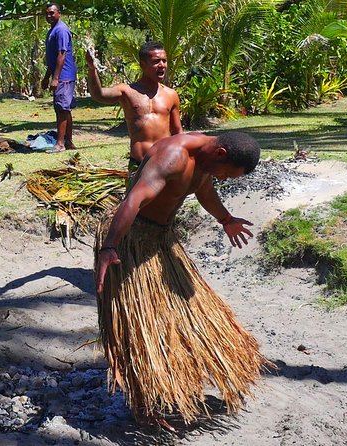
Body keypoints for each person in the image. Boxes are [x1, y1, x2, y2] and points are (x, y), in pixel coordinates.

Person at [94, 131, 270, 428]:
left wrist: (226, 219)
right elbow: (134, 200)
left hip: (162, 238)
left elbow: (203, 189)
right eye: (226, 174)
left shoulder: (206, 160)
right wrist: (110, 246)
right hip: (130, 241)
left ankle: (180, 379)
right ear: (221, 154)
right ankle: (143, 404)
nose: (224, 180)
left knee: (193, 312)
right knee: (141, 325)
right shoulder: (173, 157)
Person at [86, 41, 183, 181]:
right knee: (134, 203)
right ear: (143, 65)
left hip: (166, 163)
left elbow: (177, 132)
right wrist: (91, 69)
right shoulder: (127, 91)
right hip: (139, 164)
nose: (162, 65)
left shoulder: (171, 95)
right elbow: (99, 95)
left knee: (167, 203)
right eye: (156, 61)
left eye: (164, 61)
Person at [42, 3, 77, 153]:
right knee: (64, 109)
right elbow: (52, 58)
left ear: (59, 13)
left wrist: (55, 78)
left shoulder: (61, 30)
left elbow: (61, 55)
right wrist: (46, 77)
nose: (49, 16)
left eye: (52, 13)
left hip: (64, 76)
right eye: (47, 14)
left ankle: (60, 143)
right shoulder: (52, 31)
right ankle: (68, 142)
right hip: (60, 74)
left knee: (62, 108)